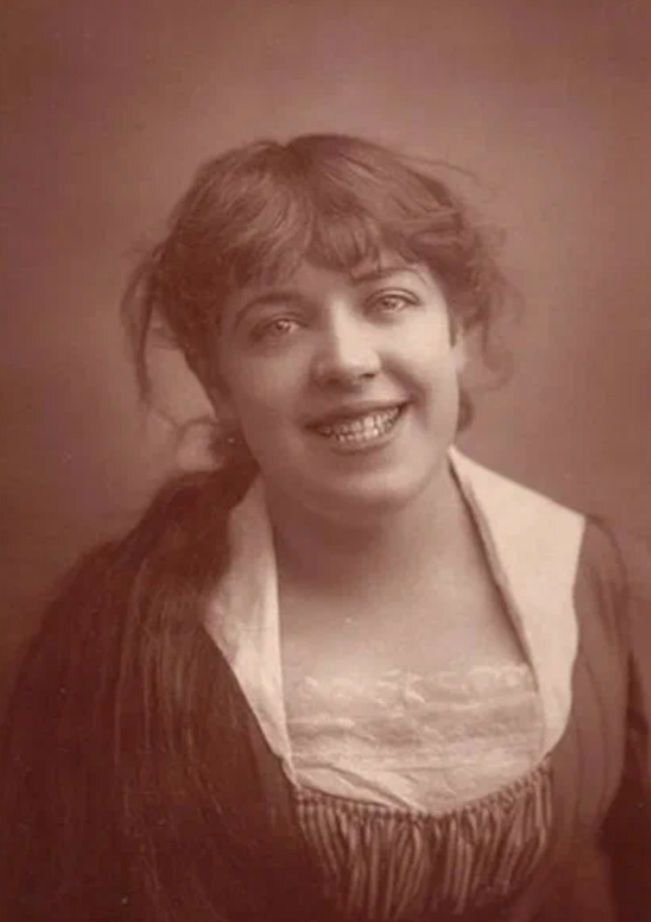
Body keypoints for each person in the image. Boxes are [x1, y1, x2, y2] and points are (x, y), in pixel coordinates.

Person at [1, 134, 649, 922]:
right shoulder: (118, 626)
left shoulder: (597, 580)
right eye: (277, 326)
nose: (345, 361)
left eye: (388, 301)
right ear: (219, 385)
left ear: (457, 332)